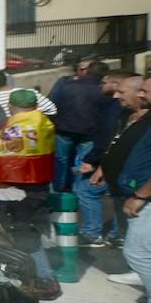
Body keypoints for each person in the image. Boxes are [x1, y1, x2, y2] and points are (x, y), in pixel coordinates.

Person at [0, 90, 61, 300]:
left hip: (17, 191)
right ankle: (29, 275)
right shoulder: (45, 124)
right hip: (38, 187)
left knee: (24, 236)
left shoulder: (16, 126)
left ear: (11, 106)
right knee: (25, 233)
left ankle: (45, 280)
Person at [94, 75, 149, 284]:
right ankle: (137, 271)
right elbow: (116, 143)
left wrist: (139, 194)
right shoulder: (124, 114)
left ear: (139, 93)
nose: (116, 96)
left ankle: (142, 270)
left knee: (140, 244)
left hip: (139, 190)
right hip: (120, 186)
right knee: (127, 231)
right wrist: (102, 168)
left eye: (122, 92)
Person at [74, 70, 134, 247]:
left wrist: (92, 160)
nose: (100, 86)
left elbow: (108, 137)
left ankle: (93, 233)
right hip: (117, 164)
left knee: (85, 189)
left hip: (119, 165)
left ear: (116, 84)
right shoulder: (126, 109)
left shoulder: (116, 107)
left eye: (104, 82)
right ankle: (117, 235)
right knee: (116, 195)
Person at [49, 59, 115, 192]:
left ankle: (58, 189)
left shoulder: (67, 85)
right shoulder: (103, 91)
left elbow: (52, 104)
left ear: (88, 71)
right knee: (85, 161)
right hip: (90, 132)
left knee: (60, 160)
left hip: (63, 129)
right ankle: (79, 189)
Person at [116, 83, 151, 303]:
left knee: (137, 253)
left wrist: (140, 195)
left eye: (146, 90)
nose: (141, 94)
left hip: (146, 196)